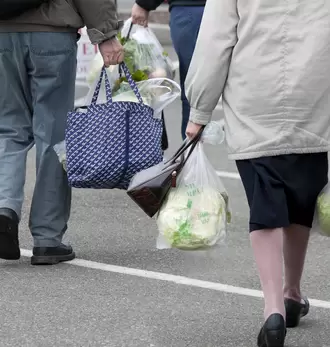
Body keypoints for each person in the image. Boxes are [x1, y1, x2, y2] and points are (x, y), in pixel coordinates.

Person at [0, 0, 124, 266]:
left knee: (7, 130)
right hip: (52, 36)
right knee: (54, 137)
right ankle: (47, 239)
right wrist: (105, 34)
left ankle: (5, 211)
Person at [184, 0, 330, 346]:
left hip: (255, 97)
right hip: (314, 92)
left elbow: (215, 41)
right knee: (302, 200)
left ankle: (273, 310)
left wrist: (200, 109)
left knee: (266, 202)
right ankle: (292, 291)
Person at [131, 0, 205, 140]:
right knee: (238, 85)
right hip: (238, 11)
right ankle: (251, 157)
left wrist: (144, 3)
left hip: (191, 10)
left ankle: (191, 156)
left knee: (193, 90)